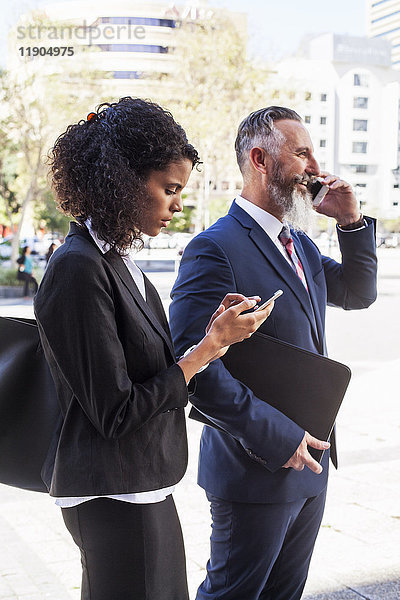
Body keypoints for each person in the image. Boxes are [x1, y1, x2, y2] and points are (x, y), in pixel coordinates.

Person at [34, 97, 273, 600]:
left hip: (140, 483)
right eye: (170, 189)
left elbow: (148, 372)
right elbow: (116, 412)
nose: (178, 205)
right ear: (121, 180)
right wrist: (208, 349)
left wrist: (213, 332)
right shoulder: (78, 266)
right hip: (110, 492)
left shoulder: (117, 262)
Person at [169, 106, 377, 600]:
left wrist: (350, 221)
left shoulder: (299, 244)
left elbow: (357, 292)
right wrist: (279, 439)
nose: (314, 166)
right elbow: (193, 364)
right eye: (302, 152)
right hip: (254, 465)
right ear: (260, 159)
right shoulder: (213, 248)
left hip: (312, 463)